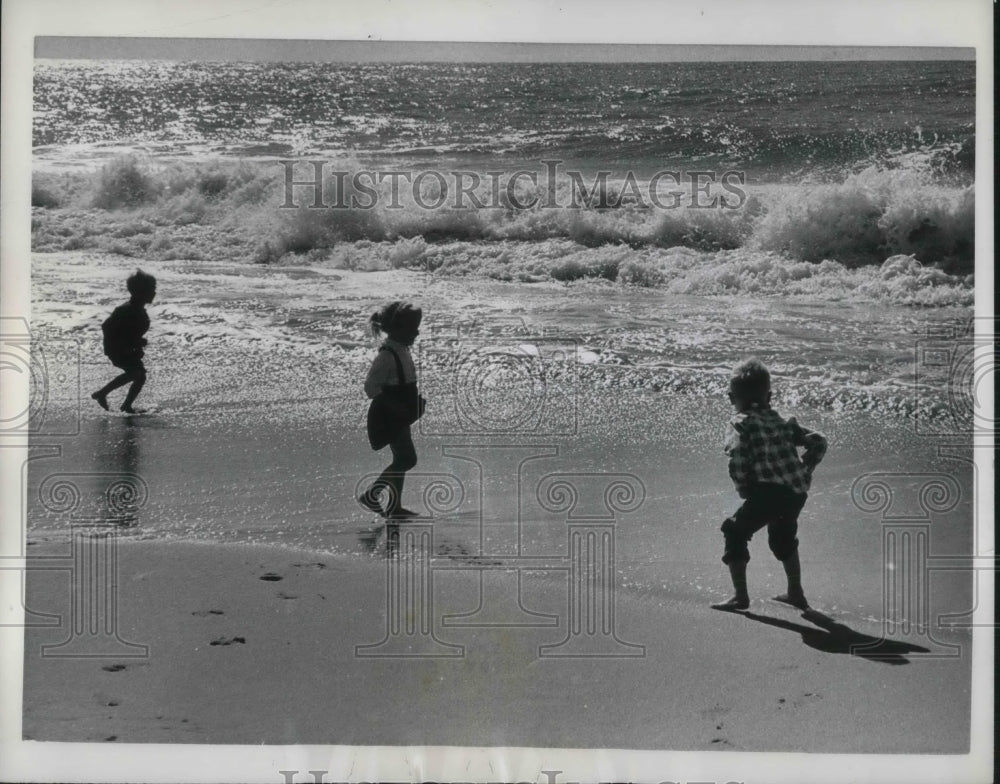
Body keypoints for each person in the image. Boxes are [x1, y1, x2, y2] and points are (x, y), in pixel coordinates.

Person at [712, 358, 827, 611]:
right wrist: (806, 468)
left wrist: (744, 489)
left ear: (732, 398)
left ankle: (740, 596)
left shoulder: (740, 423)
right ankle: (795, 592)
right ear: (770, 395)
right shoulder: (784, 421)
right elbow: (819, 440)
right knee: (783, 539)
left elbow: (738, 460)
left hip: (768, 492)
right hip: (795, 493)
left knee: (735, 531)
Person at [357, 301, 423, 519]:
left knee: (400, 458)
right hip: (389, 415)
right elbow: (370, 387)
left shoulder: (401, 349)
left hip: (400, 413)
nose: (417, 331)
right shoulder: (387, 355)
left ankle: (394, 507)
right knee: (406, 460)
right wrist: (393, 405)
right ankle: (372, 495)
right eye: (413, 328)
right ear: (398, 330)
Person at [91, 269, 157, 414]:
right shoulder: (126, 310)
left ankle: (123, 404)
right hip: (118, 349)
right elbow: (107, 326)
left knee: (139, 375)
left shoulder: (138, 309)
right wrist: (123, 346)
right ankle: (104, 394)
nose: (154, 293)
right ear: (140, 292)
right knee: (137, 373)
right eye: (151, 289)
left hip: (128, 348)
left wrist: (138, 341)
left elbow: (130, 331)